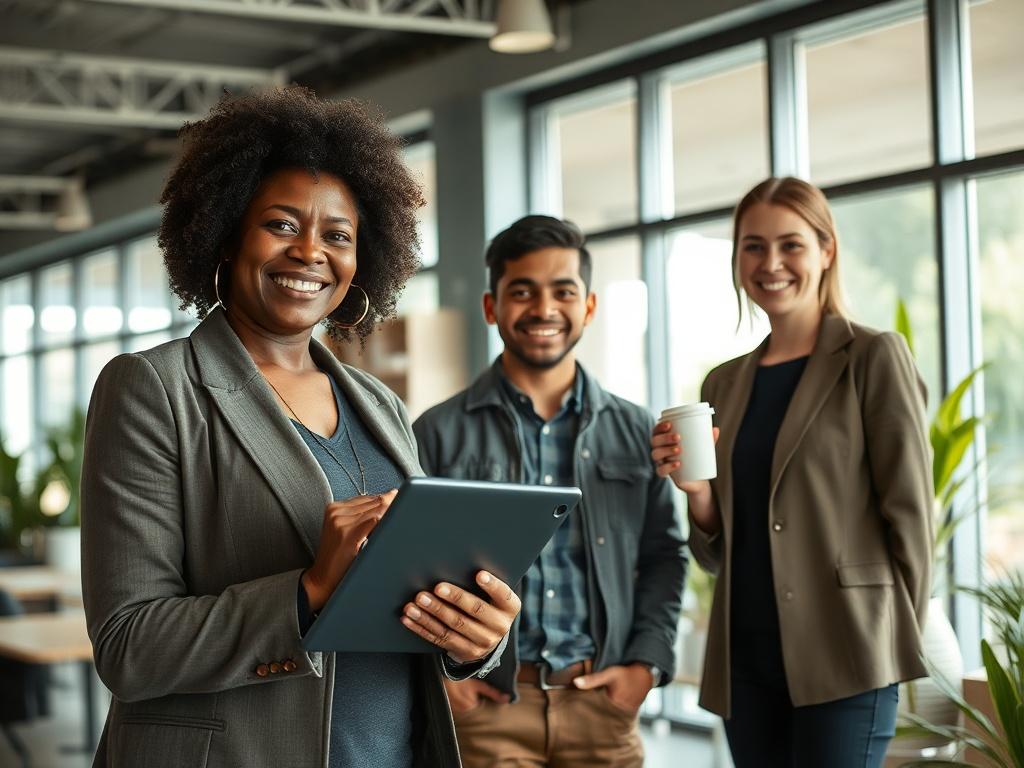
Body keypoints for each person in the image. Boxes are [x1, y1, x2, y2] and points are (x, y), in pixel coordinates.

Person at [80, 86, 519, 768]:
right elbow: (129, 646)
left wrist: (472, 639)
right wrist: (308, 590)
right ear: (224, 233)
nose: (311, 252)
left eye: (337, 235)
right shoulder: (154, 389)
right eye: (281, 224)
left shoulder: (381, 405)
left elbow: (403, 599)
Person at [651, 177, 933, 767]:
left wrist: (897, 639)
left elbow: (911, 516)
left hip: (848, 654)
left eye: (791, 245)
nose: (770, 263)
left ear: (826, 250)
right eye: (753, 246)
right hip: (746, 662)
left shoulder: (873, 356)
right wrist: (697, 493)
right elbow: (717, 549)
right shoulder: (722, 384)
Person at [413, 215, 687, 767]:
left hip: (602, 707)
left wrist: (646, 665)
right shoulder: (437, 431)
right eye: (522, 292)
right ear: (492, 307)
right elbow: (406, 570)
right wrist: (440, 678)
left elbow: (664, 554)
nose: (543, 310)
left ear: (587, 306)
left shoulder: (637, 430)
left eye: (563, 291)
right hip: (486, 709)